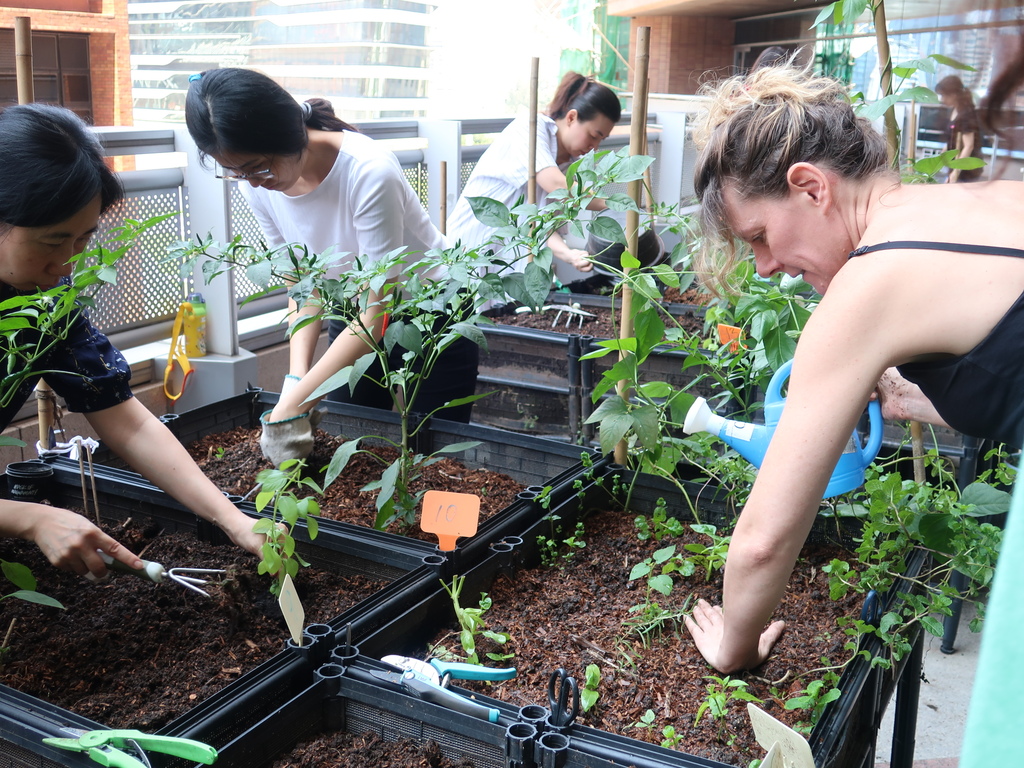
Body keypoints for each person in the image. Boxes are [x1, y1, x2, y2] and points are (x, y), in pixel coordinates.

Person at [681, 63, 1024, 674]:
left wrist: (734, 649)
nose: (763, 266)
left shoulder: (864, 288)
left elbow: (763, 543)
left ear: (812, 187)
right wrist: (917, 399)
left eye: (759, 235)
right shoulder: (976, 198)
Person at [0, 103, 266, 580]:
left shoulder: (44, 304)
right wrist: (27, 517)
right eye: (51, 241)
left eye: (82, 241)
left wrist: (233, 520)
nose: (67, 263)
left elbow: (126, 422)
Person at [185, 68, 480, 467]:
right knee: (351, 448)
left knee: (433, 456)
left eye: (257, 167)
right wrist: (296, 378)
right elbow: (303, 288)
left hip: (429, 313)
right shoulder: (259, 187)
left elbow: (378, 311)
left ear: (288, 136)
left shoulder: (368, 171)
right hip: (353, 310)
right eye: (238, 172)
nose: (252, 182)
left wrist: (295, 402)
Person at [446, 71, 622, 275]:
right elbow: (555, 185)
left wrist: (570, 255)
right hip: (474, 245)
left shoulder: (571, 165)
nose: (595, 147)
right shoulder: (531, 128)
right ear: (572, 117)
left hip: (508, 262)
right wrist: (618, 205)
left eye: (601, 140)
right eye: (594, 136)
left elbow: (542, 226)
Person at [935, 74, 985, 182]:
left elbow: (969, 146)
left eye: (944, 95)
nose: (942, 99)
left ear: (954, 95)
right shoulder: (955, 110)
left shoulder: (967, 114)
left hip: (966, 168)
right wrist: (942, 155)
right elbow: (952, 136)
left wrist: (956, 172)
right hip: (956, 163)